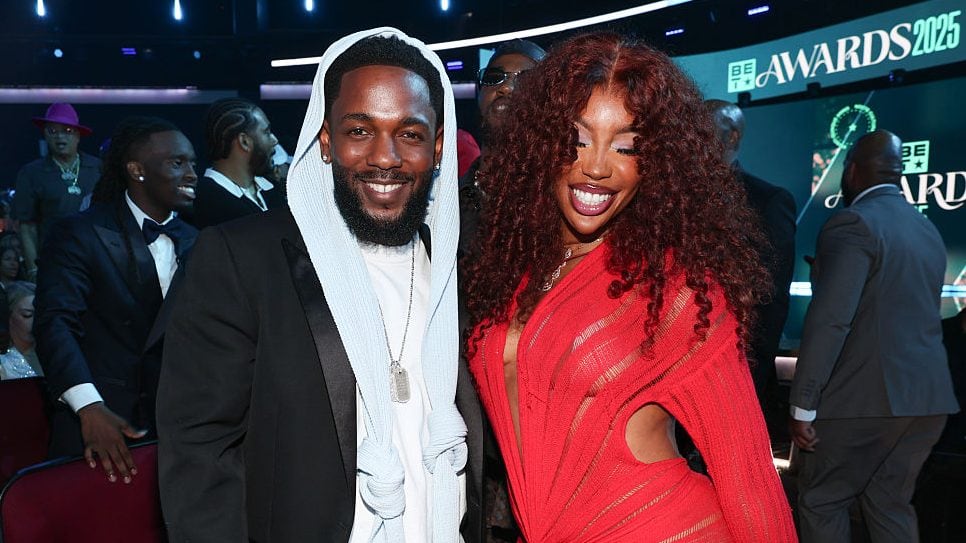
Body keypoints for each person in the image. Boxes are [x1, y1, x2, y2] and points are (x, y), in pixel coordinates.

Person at [463, 32, 796, 542]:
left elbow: (748, 482)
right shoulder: (514, 268)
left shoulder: (680, 291)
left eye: (626, 146)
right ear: (540, 143)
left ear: (655, 161)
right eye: (574, 139)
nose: (596, 166)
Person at [157, 28, 483, 542]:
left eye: (411, 134)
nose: (385, 156)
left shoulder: (458, 269)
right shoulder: (242, 259)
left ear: (438, 147)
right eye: (360, 131)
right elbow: (200, 452)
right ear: (326, 141)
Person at [789, 130, 959, 542]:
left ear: (851, 171)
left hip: (865, 401)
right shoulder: (926, 230)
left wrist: (802, 405)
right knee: (889, 504)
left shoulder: (852, 223)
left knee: (822, 501)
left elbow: (832, 320)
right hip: (927, 402)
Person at [35, 116, 198, 483]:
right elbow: (55, 322)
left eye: (192, 163)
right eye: (177, 163)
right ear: (137, 170)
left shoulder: (199, 241)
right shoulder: (78, 233)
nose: (191, 174)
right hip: (97, 427)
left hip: (178, 435)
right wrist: (89, 407)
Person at [705, 99, 796, 407]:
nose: (691, 139)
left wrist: (748, 387)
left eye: (703, 130)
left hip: (728, 379)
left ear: (732, 137)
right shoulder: (667, 199)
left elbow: (770, 302)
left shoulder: (766, 202)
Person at [12, 103, 101, 279]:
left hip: (95, 260)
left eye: (67, 130)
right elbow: (27, 227)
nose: (60, 137)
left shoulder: (98, 168)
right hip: (53, 263)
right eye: (52, 131)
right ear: (44, 134)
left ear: (78, 135)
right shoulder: (31, 173)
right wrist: (33, 269)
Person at [184, 97, 283, 229]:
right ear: (244, 142)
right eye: (266, 132)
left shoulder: (272, 190)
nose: (274, 140)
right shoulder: (205, 204)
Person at [0, 281, 42, 380]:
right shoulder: (2, 363)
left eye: (40, 314)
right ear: (8, 317)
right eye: (27, 315)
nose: (35, 321)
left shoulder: (53, 353)